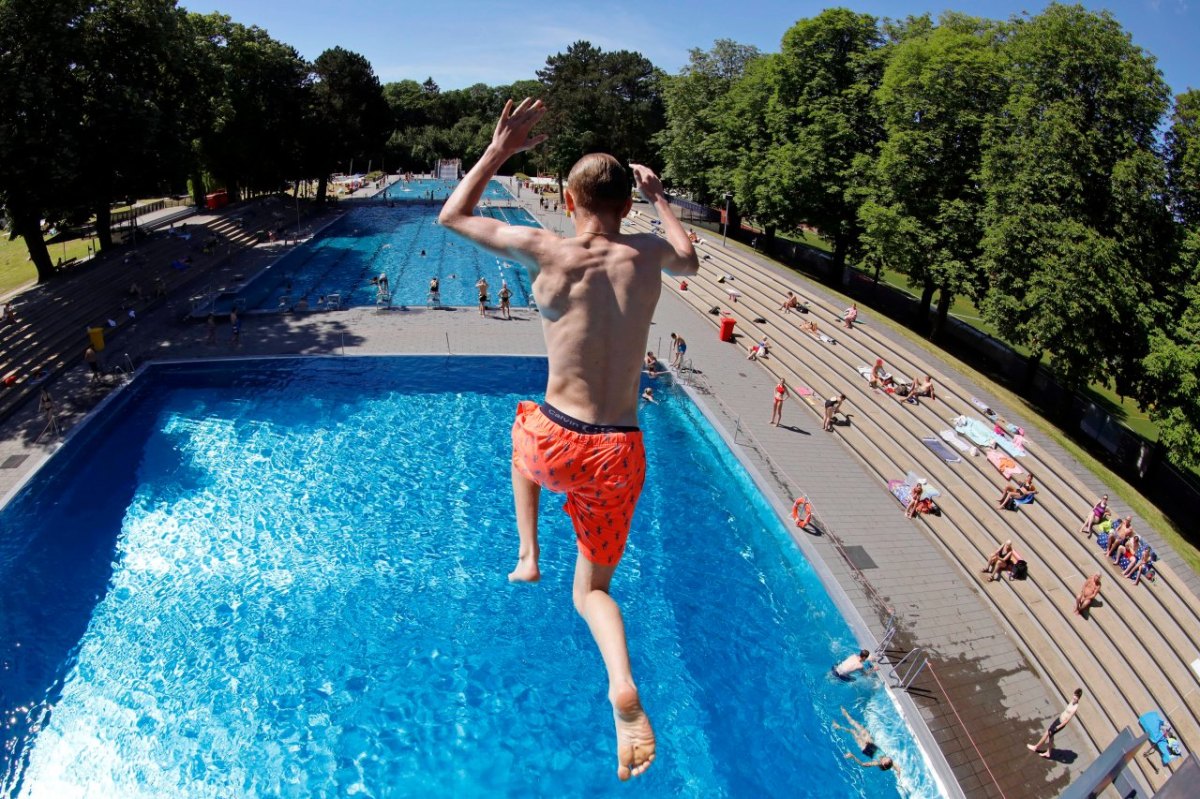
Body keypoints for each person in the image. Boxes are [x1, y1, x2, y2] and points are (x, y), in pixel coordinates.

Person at [439, 98, 698, 781]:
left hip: (556, 439)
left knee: (522, 424)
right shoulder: (647, 254)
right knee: (593, 591)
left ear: (567, 196)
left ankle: (527, 553)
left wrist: (498, 150)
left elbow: (453, 216)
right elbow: (690, 260)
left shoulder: (546, 247)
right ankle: (620, 682)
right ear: (625, 203)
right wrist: (660, 198)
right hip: (620, 449)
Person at [1028, 689, 1083, 757]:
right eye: (1074, 695)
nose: (1074, 697)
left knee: (1047, 733)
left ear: (1079, 698)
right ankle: (1048, 752)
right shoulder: (1072, 701)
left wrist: (1058, 727)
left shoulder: (1075, 707)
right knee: (1050, 736)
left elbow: (1067, 720)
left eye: (1077, 697)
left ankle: (1036, 747)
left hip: (1060, 724)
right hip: (1059, 719)